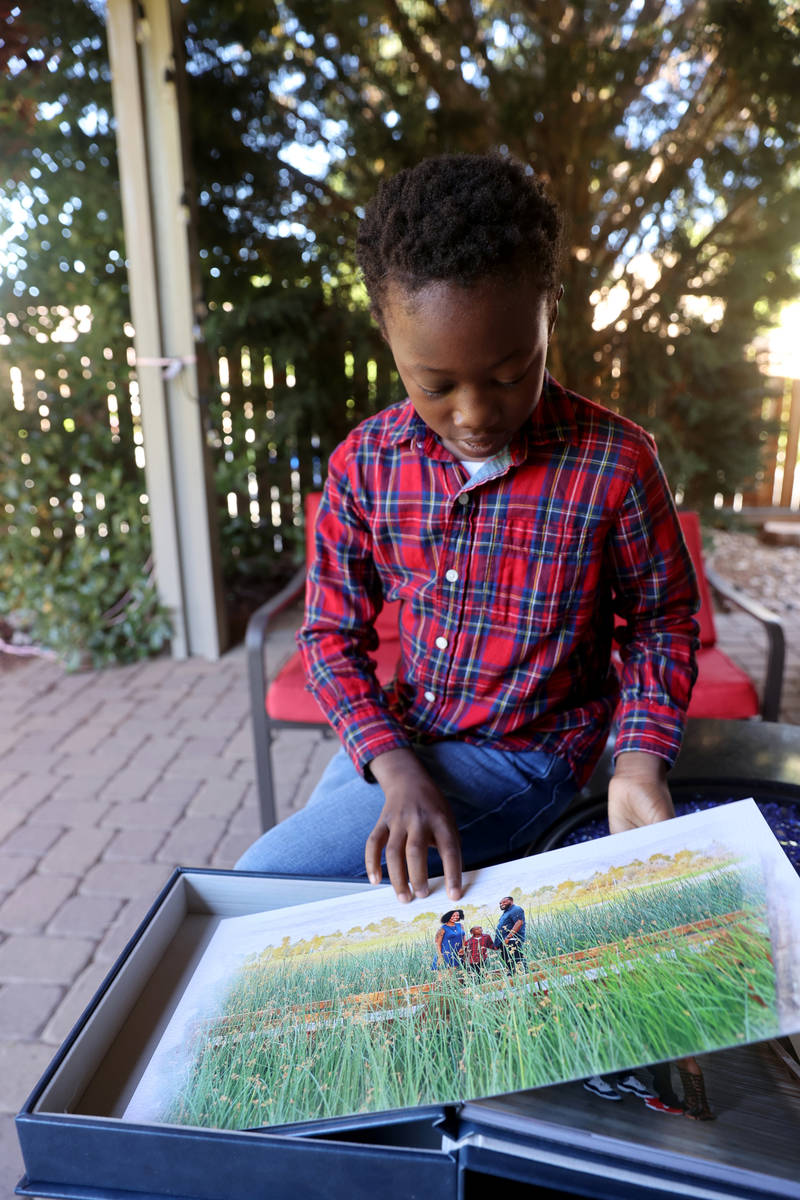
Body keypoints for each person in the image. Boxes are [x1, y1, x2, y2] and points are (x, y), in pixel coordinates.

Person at [236, 152, 699, 901]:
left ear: (551, 306)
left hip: (529, 756)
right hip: (407, 734)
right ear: (388, 335)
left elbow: (660, 621)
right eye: (437, 385)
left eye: (513, 373)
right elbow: (326, 637)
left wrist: (639, 761)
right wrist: (393, 764)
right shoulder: (366, 462)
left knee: (265, 881)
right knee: (339, 885)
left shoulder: (615, 463)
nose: (477, 414)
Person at [493, 895, 526, 972]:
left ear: (511, 901)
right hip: (504, 942)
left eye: (504, 902)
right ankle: (512, 976)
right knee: (508, 963)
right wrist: (497, 943)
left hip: (512, 941)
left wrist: (508, 937)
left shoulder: (516, 909)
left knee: (518, 960)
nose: (501, 904)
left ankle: (524, 976)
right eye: (500, 903)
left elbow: (519, 922)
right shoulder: (506, 913)